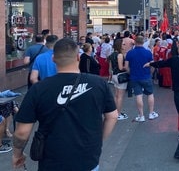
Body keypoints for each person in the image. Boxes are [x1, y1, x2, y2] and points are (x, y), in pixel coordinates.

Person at [12, 38, 117, 170]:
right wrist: (98, 141)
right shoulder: (98, 83)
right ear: (78, 57)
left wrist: (17, 154)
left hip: (52, 161)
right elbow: (112, 116)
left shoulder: (39, 89)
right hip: (88, 159)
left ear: (53, 59)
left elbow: (22, 131)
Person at [125, 36, 159, 122]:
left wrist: (130, 73)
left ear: (135, 42)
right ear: (143, 42)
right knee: (150, 94)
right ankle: (151, 113)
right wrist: (150, 73)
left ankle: (141, 115)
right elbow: (152, 65)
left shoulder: (130, 53)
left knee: (138, 95)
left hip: (134, 77)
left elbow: (126, 67)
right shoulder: (148, 53)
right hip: (146, 76)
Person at [109, 38, 129, 120]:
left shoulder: (112, 54)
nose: (124, 45)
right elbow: (121, 67)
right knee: (120, 97)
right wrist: (126, 67)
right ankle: (118, 114)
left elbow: (110, 68)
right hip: (120, 76)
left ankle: (115, 112)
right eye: (123, 44)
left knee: (116, 95)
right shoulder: (120, 55)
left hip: (114, 76)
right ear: (119, 45)